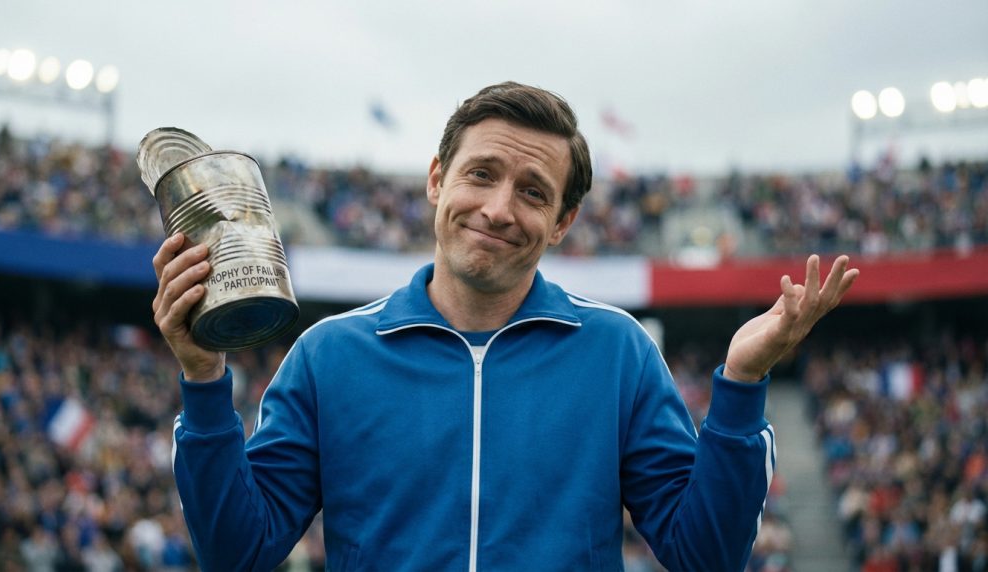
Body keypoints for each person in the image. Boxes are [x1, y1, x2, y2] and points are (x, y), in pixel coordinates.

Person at [152, 81, 859, 571]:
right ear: (437, 179)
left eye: (532, 192)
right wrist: (203, 375)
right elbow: (237, 553)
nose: (497, 209)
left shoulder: (618, 353)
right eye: (481, 174)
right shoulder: (328, 356)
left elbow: (706, 556)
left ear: (563, 221)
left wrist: (742, 382)